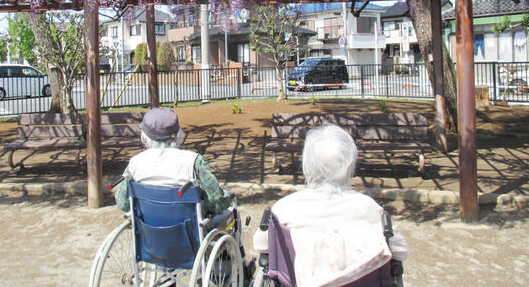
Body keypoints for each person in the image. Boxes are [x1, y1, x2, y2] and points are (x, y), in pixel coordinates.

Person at [253, 125, 408, 286]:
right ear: (350, 164)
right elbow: (400, 251)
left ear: (307, 164)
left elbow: (261, 244)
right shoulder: (371, 209)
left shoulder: (284, 208)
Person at [114, 107, 233, 215]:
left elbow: (123, 203)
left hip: (148, 230)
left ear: (144, 136)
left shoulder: (135, 163)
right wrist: (228, 196)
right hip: (190, 231)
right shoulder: (194, 161)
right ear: (178, 134)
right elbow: (217, 203)